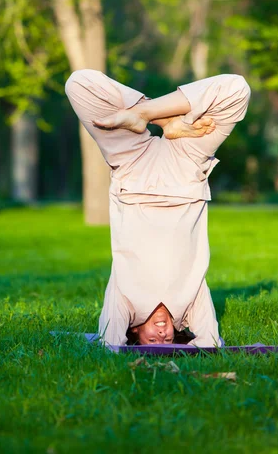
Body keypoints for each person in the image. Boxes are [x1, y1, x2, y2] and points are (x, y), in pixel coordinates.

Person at [65, 69, 251, 347]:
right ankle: (159, 117)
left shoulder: (125, 302)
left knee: (80, 84)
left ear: (135, 335)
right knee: (236, 89)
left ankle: (147, 114)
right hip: (186, 165)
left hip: (132, 168)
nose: (162, 337)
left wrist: (148, 115)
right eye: (168, 342)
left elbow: (109, 343)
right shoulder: (190, 305)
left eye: (152, 343)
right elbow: (210, 342)